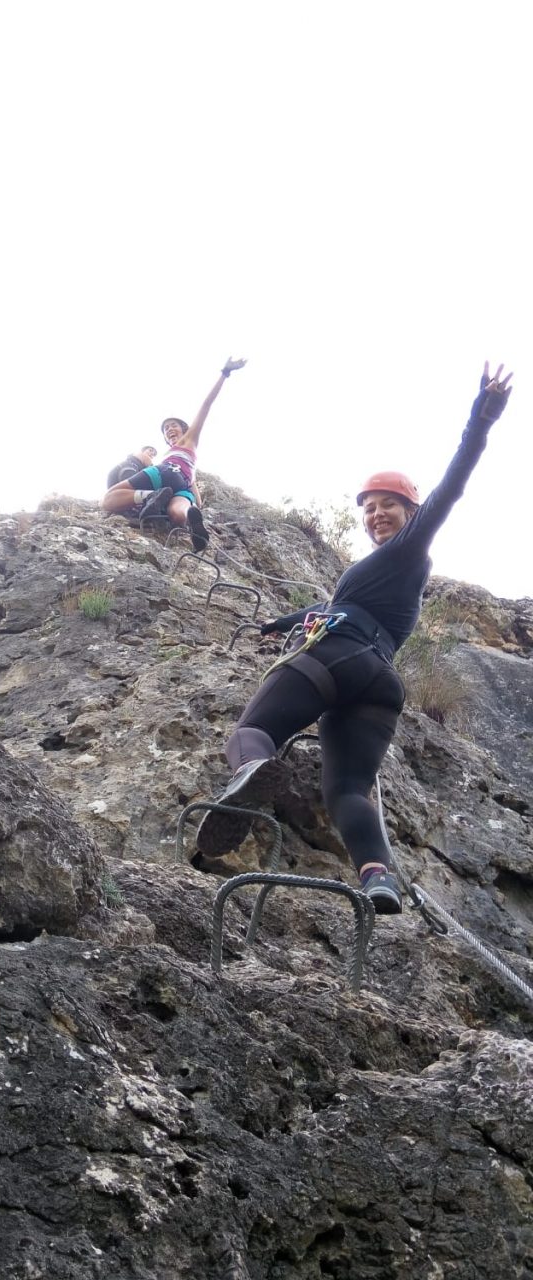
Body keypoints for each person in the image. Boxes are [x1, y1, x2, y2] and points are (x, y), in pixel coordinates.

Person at [195, 363, 513, 913]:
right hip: (378, 681)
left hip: (335, 656)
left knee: (253, 731)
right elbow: (332, 608)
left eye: (388, 504)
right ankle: (377, 878)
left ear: (410, 513)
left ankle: (251, 774)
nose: (375, 514)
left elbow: (450, 491)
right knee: (346, 791)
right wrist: (279, 622)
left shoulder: (410, 547)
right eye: (368, 508)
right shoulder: (395, 576)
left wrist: (479, 421)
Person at [101, 358, 246, 550]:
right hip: (182, 480)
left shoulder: (189, 439)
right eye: (166, 429)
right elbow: (195, 493)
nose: (169, 429)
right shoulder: (190, 461)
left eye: (173, 425)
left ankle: (150, 496)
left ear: (185, 429)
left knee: (109, 499)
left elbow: (205, 406)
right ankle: (188, 519)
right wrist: (195, 505)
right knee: (177, 513)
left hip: (163, 471)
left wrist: (224, 374)